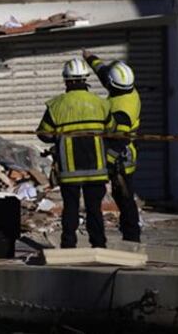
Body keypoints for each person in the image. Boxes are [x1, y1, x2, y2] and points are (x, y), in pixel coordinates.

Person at [36, 57, 111, 249]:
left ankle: (69, 245)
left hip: (69, 171)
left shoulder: (56, 105)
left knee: (70, 208)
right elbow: (111, 130)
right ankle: (99, 245)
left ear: (66, 80)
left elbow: (43, 134)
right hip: (96, 169)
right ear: (86, 78)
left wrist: (59, 139)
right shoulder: (101, 104)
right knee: (94, 209)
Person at [84, 50, 142, 243]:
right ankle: (128, 237)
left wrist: (106, 162)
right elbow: (104, 75)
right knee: (122, 200)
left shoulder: (123, 109)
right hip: (120, 155)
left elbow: (120, 139)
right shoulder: (128, 89)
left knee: (124, 200)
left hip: (119, 159)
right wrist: (91, 59)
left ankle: (131, 238)